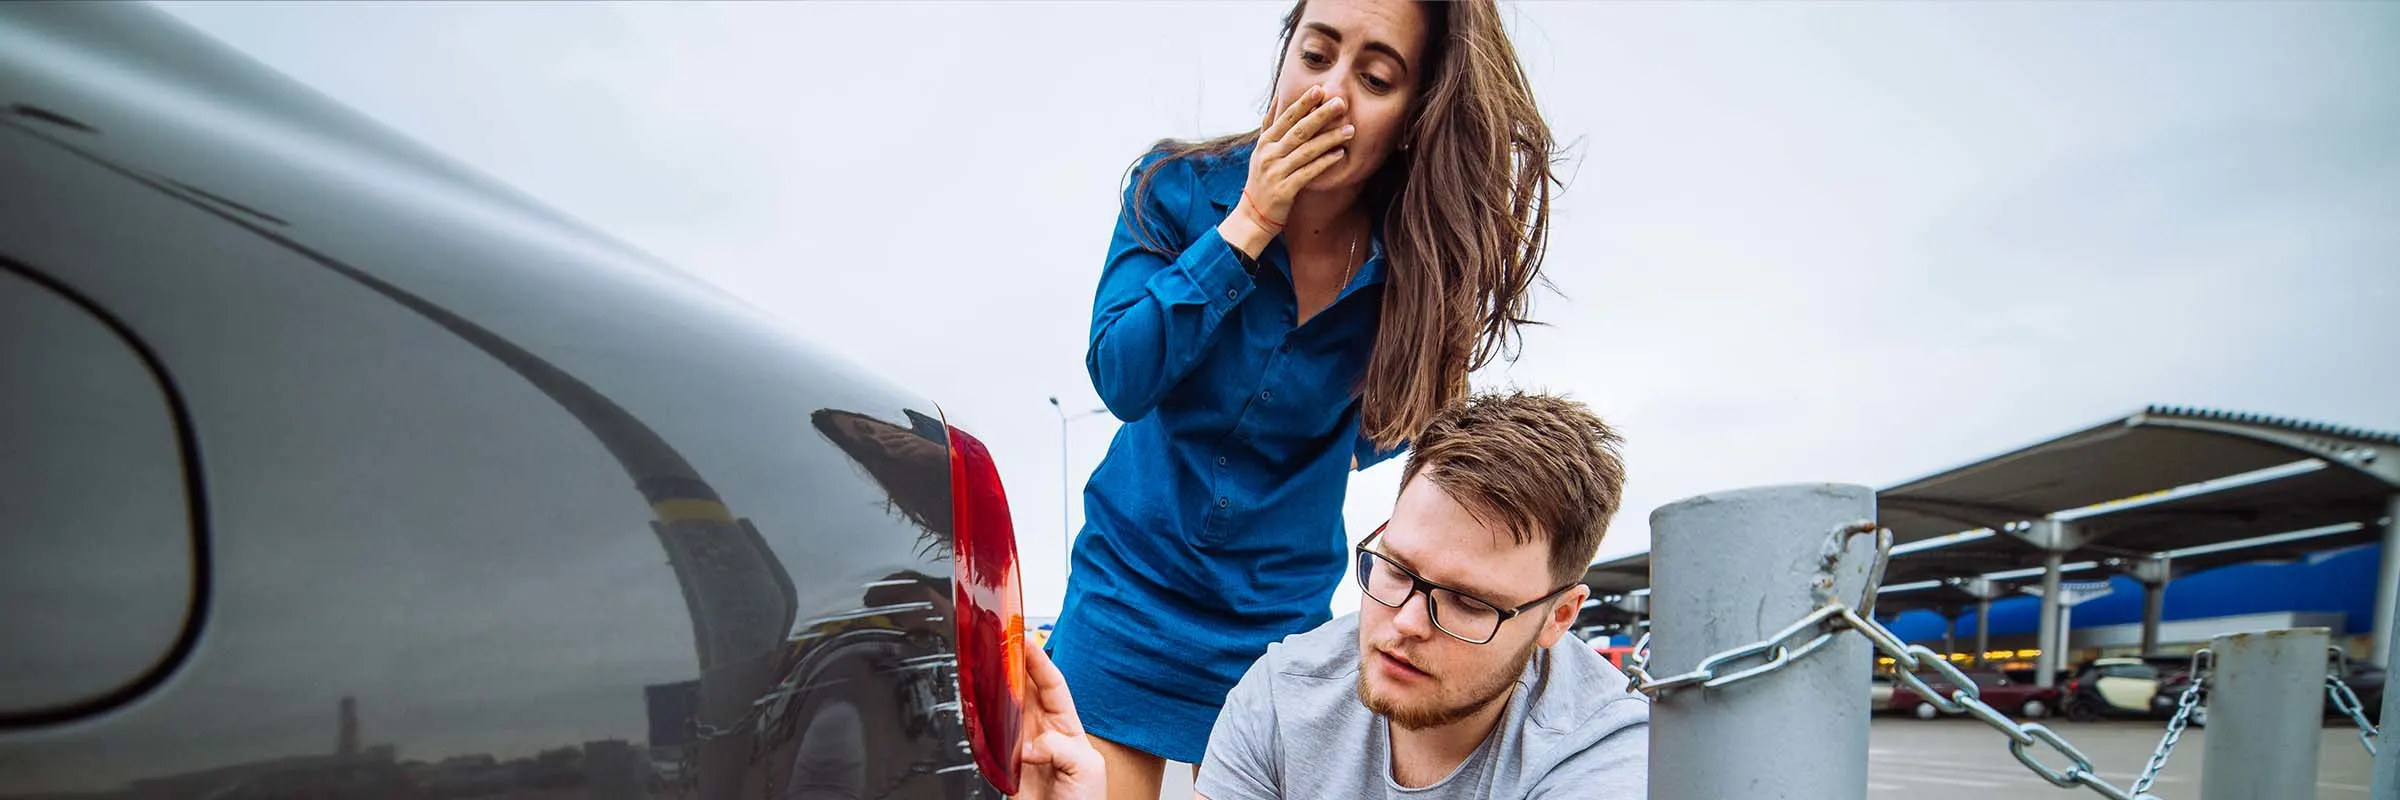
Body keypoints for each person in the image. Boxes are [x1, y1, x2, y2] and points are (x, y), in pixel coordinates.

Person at [1050, 1, 1563, 796]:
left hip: (1276, 622)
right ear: (1285, 54)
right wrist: (1249, 225)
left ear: (1413, 114)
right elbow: (1121, 376)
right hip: (1129, 594)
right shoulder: (1176, 189)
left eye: (1375, 77)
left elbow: (1388, 433)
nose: (1329, 95)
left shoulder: (1419, 274)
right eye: (1316, 55)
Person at [1023, 391, 1648, 799]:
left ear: (1557, 617)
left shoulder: (1602, 755)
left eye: (1468, 603)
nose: (1403, 623)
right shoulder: (1282, 692)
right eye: (1396, 568)